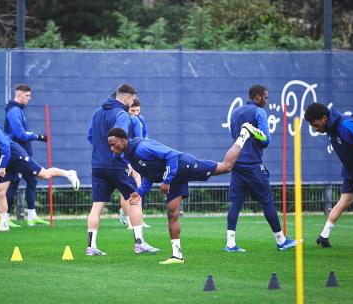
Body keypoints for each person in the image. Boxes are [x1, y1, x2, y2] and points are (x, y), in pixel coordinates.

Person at [107, 123, 265, 264]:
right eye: (110, 146)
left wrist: (167, 180)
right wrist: (139, 192)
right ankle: (177, 256)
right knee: (172, 212)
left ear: (123, 140)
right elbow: (149, 174)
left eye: (114, 145)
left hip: (183, 165)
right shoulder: (129, 155)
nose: (112, 149)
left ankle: (244, 133)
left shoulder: (141, 148)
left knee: (226, 167)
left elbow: (171, 156)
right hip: (174, 176)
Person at [0, 107, 80, 232]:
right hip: (6, 163)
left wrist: (2, 166)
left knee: (45, 174)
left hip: (16, 156)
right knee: (0, 191)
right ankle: (4, 225)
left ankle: (68, 173)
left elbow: (5, 145)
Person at [86, 84, 158, 256]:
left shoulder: (97, 113)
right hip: (118, 165)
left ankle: (91, 247)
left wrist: (101, 150)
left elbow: (90, 136)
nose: (132, 103)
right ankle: (139, 244)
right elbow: (121, 140)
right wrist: (129, 164)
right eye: (132, 100)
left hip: (98, 165)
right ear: (127, 98)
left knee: (96, 206)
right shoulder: (121, 115)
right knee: (135, 199)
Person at [226, 85, 297, 252]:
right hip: (253, 165)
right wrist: (253, 131)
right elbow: (265, 140)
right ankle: (281, 240)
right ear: (256, 97)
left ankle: (230, 244)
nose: (266, 100)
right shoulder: (259, 112)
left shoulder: (235, 112)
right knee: (267, 201)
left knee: (235, 203)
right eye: (265, 97)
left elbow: (233, 136)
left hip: (237, 164)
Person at [305, 102, 353, 257]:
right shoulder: (330, 128)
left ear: (324, 118)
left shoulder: (346, 125)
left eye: (315, 125)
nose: (315, 129)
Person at [4, 83, 55, 227]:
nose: (29, 98)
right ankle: (6, 219)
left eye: (30, 95)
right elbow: (19, 135)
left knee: (31, 181)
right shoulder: (14, 111)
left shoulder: (19, 110)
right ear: (19, 95)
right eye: (27, 96)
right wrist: (38, 136)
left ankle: (31, 216)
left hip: (23, 152)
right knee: (14, 183)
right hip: (17, 154)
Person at [119, 98, 151, 229]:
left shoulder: (140, 119)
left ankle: (135, 217)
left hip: (137, 157)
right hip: (126, 158)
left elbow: (144, 138)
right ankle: (129, 219)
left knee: (139, 188)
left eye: (137, 110)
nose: (135, 113)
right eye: (132, 110)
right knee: (126, 189)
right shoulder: (125, 120)